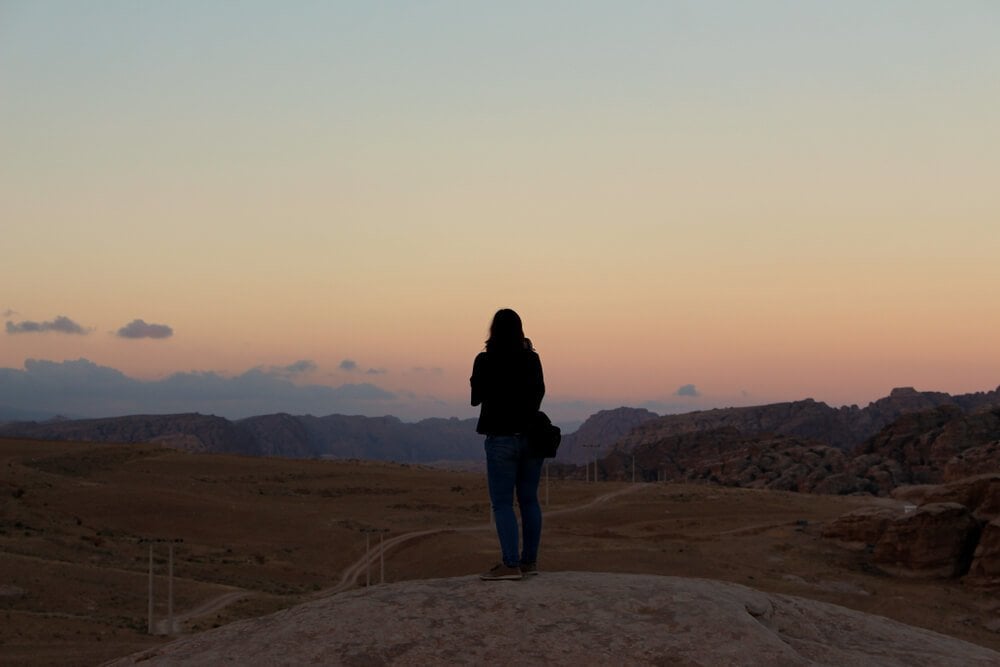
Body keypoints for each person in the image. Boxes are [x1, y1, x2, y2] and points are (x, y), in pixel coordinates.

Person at [470, 308, 546, 581]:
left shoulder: (485, 359)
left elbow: (476, 397)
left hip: (501, 439)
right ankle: (529, 562)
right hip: (531, 439)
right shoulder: (532, 359)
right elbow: (539, 393)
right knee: (529, 500)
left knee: (502, 503)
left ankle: (510, 564)